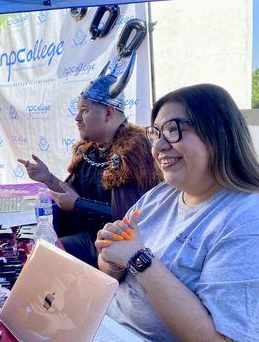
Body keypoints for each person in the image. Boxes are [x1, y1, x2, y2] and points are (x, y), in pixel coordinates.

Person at [96, 84, 259, 342]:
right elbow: (111, 268)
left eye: (173, 130)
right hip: (103, 325)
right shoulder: (159, 196)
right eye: (156, 133)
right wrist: (111, 261)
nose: (158, 146)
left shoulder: (246, 218)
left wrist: (139, 259)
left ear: (217, 133)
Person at [19, 55, 159, 266]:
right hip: (90, 236)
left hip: (116, 249)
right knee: (33, 248)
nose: (77, 119)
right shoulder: (91, 150)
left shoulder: (134, 153)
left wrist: (78, 205)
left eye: (84, 111)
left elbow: (130, 217)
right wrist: (47, 178)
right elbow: (73, 193)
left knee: (46, 259)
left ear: (109, 113)